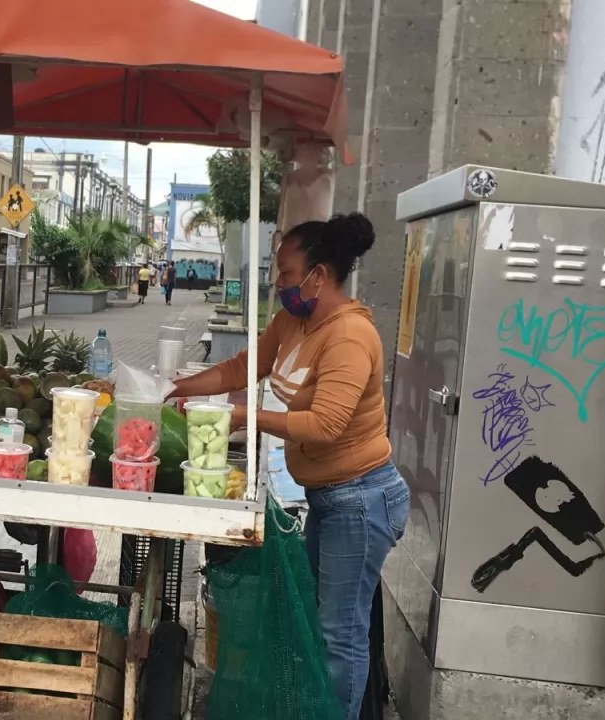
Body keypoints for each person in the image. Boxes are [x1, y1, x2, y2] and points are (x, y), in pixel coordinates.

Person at [166, 212, 409, 719]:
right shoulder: (294, 322)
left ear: (320, 276)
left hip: (362, 500)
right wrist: (179, 389)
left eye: (286, 273)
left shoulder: (349, 336)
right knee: (326, 628)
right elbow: (242, 367)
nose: (279, 283)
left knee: (340, 635)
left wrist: (242, 416)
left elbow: (325, 425)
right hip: (330, 497)